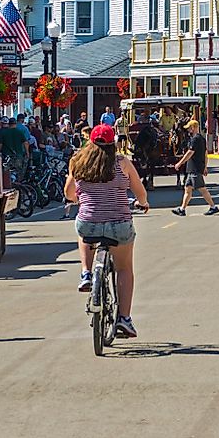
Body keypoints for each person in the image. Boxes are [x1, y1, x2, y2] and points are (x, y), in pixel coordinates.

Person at [65, 123, 148, 338]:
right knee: (124, 268)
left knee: (84, 232)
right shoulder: (122, 163)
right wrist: (143, 203)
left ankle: (86, 272)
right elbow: (139, 191)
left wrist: (80, 199)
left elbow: (69, 193)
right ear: (114, 143)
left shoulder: (78, 161)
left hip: (89, 222)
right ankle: (124, 318)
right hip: (119, 224)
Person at [171, 120, 218, 216]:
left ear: (193, 127)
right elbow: (205, 154)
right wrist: (205, 167)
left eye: (189, 128)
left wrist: (179, 163)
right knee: (187, 189)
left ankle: (213, 207)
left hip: (195, 168)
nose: (188, 130)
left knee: (202, 189)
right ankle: (182, 209)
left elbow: (190, 153)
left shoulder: (195, 139)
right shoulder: (201, 139)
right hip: (193, 168)